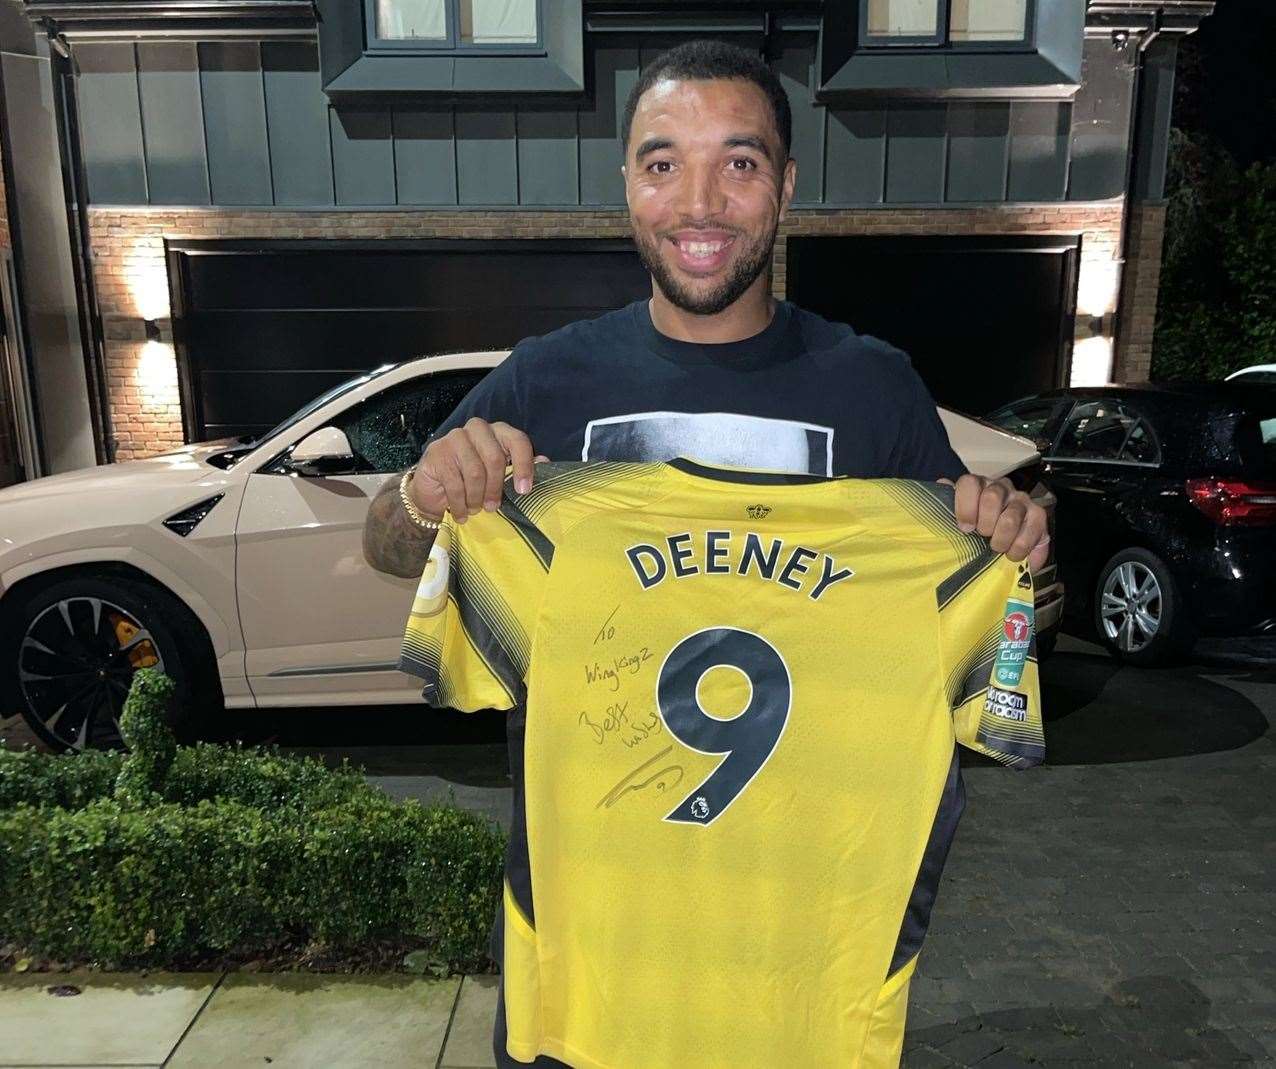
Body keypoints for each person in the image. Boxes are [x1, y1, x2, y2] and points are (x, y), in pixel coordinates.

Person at [363, 39, 1049, 1068]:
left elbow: (981, 587)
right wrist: (424, 492)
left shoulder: (870, 385)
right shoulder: (547, 380)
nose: (699, 201)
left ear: (786, 184)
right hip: (590, 967)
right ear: (626, 186)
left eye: (739, 161)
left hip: (796, 975)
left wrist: (1015, 551)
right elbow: (385, 544)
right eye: (661, 162)